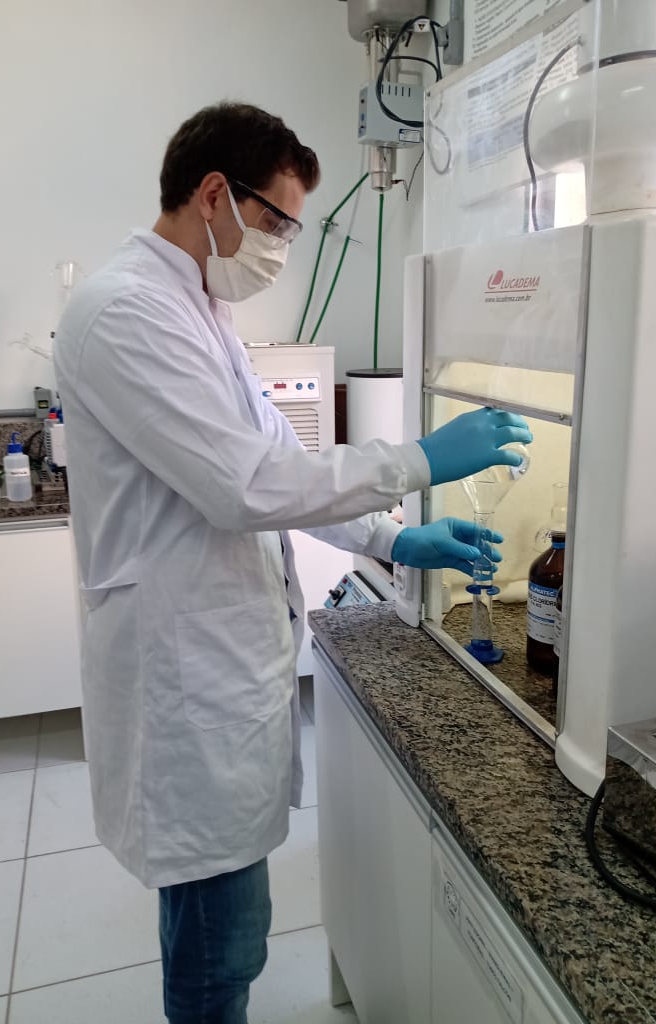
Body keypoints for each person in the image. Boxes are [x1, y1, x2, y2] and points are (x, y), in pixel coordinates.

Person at [53, 101, 532, 1024]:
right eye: (277, 221)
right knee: (218, 948)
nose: (281, 247)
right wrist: (420, 459)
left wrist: (391, 539)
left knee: (227, 928)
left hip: (220, 663)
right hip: (183, 677)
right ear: (212, 194)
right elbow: (248, 487)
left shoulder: (199, 308)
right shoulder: (125, 312)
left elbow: (282, 457)